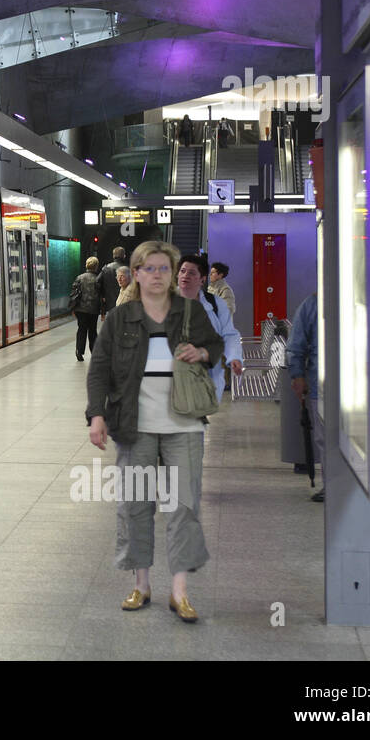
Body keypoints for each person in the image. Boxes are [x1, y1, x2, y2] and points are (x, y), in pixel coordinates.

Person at [86, 240, 223, 623]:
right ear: (136, 273)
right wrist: (97, 415)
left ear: (173, 274)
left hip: (185, 424)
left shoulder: (191, 313)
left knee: (184, 506)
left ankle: (179, 592)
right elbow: (99, 370)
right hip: (135, 425)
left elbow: (215, 344)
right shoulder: (119, 319)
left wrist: (204, 353)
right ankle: (141, 584)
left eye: (165, 268)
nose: (158, 275)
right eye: (149, 268)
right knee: (136, 506)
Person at [176, 254, 243, 401]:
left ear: (202, 279)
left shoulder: (216, 304)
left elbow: (229, 334)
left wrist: (234, 356)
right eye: (182, 271)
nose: (185, 276)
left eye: (192, 273)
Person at [286, 292, 323, 501]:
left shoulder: (361, 300)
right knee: (325, 438)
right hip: (322, 384)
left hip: (359, 385)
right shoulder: (312, 304)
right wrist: (297, 375)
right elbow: (296, 344)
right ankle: (333, 485)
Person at [70, 256, 103, 361]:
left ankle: (79, 351)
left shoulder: (79, 277)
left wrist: (73, 308)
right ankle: (94, 352)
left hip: (81, 309)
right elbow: (102, 295)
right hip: (94, 309)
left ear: (86, 265)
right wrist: (102, 310)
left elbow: (74, 294)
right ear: (96, 266)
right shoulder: (99, 278)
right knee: (93, 330)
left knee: (81, 329)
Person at [98, 246, 127, 318]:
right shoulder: (128, 270)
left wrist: (103, 296)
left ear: (113, 256)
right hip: (125, 304)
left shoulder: (106, 268)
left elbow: (97, 282)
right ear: (124, 256)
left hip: (109, 304)